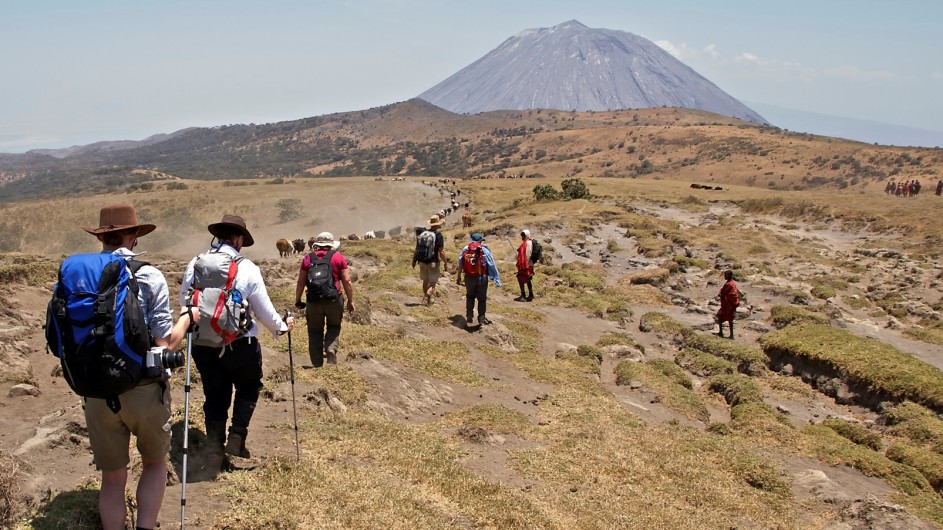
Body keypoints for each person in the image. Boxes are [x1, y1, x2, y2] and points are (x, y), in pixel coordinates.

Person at [80, 204, 197, 530]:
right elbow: (164, 344)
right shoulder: (148, 275)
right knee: (155, 463)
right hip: (144, 388)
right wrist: (187, 320)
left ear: (102, 236)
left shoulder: (81, 276)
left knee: (113, 478)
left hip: (98, 390)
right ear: (132, 235)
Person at [179, 214, 293, 461]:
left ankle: (214, 449)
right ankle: (237, 438)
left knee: (215, 393)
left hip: (203, 343)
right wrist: (282, 328)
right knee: (249, 385)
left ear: (217, 237)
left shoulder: (195, 263)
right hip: (240, 342)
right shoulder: (248, 267)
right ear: (239, 239)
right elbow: (263, 311)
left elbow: (183, 302)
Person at [294, 232, 355, 367]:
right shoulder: (338, 257)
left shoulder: (307, 258)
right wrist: (350, 300)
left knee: (314, 330)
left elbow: (301, 282)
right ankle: (331, 348)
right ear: (331, 245)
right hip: (334, 299)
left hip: (313, 301)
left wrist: (298, 300)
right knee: (334, 326)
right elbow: (347, 280)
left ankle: (317, 365)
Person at [456, 233, 501, 327]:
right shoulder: (485, 250)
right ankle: (481, 318)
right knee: (482, 299)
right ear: (480, 241)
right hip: (481, 277)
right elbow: (491, 264)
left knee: (470, 296)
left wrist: (458, 276)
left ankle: (469, 315)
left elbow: (460, 264)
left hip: (468, 277)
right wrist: (495, 278)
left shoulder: (465, 249)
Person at [412, 214, 448, 305]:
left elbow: (416, 249)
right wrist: (445, 263)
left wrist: (414, 260)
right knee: (432, 284)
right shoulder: (438, 235)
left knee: (425, 281)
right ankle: (427, 297)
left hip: (422, 262)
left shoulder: (423, 233)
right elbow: (441, 252)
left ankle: (427, 300)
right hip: (433, 262)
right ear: (437, 224)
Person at [715, 270, 739, 339]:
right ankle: (729, 334)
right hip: (730, 304)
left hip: (728, 305)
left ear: (729, 276)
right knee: (729, 319)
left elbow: (726, 293)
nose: (724, 276)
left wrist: (721, 295)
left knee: (720, 317)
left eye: (726, 275)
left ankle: (722, 333)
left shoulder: (729, 284)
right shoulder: (731, 283)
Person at [515, 229, 535, 302]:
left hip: (526, 265)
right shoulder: (525, 242)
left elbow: (528, 254)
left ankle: (524, 295)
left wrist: (525, 262)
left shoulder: (528, 243)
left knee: (522, 279)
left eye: (523, 235)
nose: (522, 237)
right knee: (527, 279)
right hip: (526, 264)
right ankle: (530, 295)